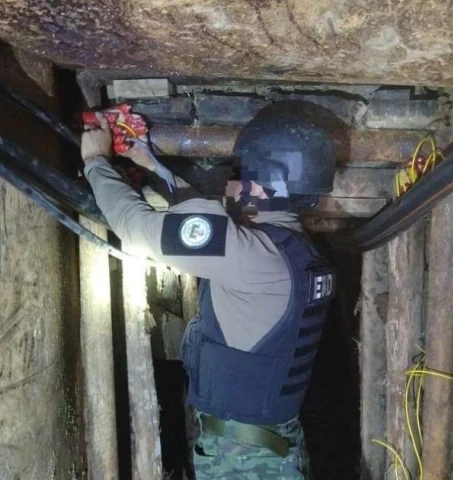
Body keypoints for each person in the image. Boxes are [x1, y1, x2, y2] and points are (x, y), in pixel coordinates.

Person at [81, 103, 337, 479]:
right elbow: (211, 227)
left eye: (239, 171)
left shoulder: (256, 256)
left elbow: (138, 229)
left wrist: (96, 162)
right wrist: (152, 165)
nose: (230, 183)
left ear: (261, 181)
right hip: (259, 451)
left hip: (246, 460)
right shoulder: (297, 252)